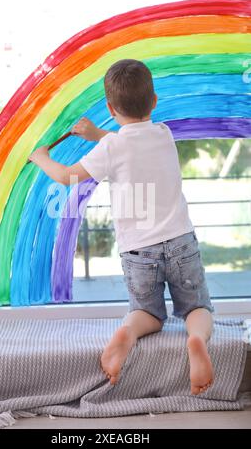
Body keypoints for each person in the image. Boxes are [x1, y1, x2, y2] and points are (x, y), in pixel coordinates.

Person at [28, 58, 214, 395]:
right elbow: (132, 143)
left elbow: (68, 176)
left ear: (111, 108)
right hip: (181, 240)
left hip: (138, 250)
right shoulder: (163, 133)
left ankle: (128, 332)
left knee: (148, 313)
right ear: (154, 102)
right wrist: (98, 136)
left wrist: (41, 157)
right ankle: (197, 339)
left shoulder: (111, 147)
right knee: (198, 307)